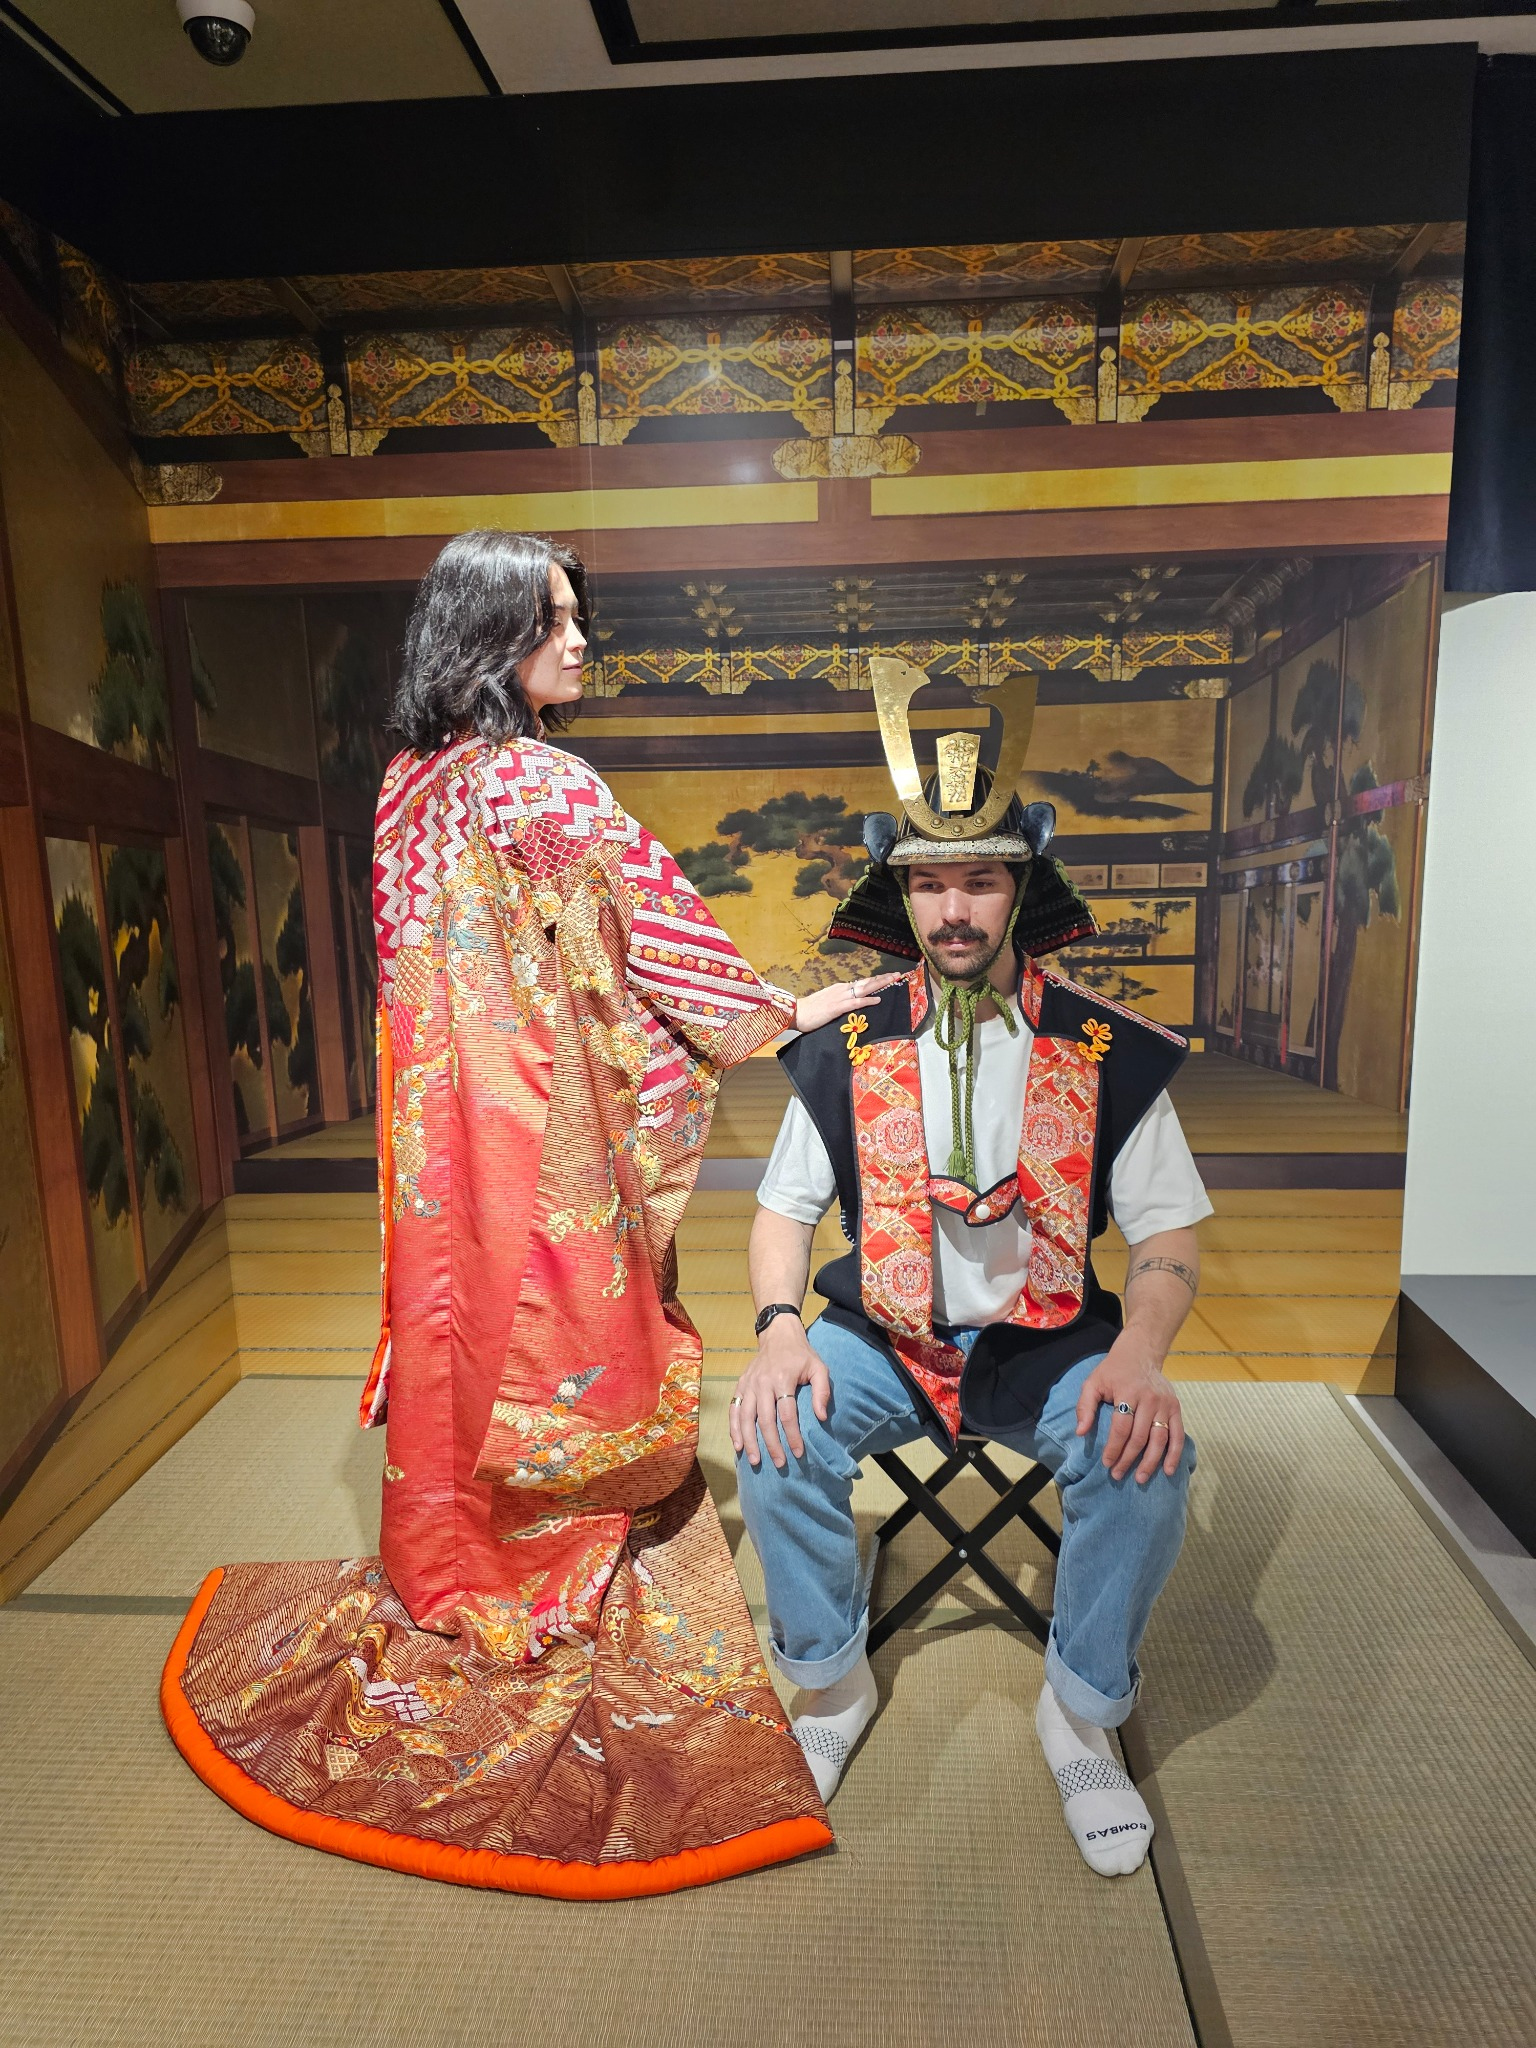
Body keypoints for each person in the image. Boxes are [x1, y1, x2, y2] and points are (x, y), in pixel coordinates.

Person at [162, 529, 895, 1899]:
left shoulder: (408, 785)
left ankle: (449, 1557)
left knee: (454, 1326)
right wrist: (780, 1011)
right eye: (552, 619)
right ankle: (540, 1551)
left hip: (440, 1124)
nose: (578, 642)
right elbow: (653, 935)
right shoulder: (542, 781)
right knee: (562, 1319)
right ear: (488, 635)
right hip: (537, 1113)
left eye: (575, 616)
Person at [731, 664, 1211, 1879]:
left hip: (1050, 1342)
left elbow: (1167, 1241)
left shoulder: (1104, 1047)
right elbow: (783, 1211)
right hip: (882, 1337)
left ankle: (1082, 1710)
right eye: (929, 881)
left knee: (1150, 1457)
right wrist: (780, 1326)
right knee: (775, 1433)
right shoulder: (846, 1042)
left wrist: (1140, 1354)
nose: (954, 908)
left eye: (981, 878)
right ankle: (832, 1682)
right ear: (900, 895)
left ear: (1022, 887)